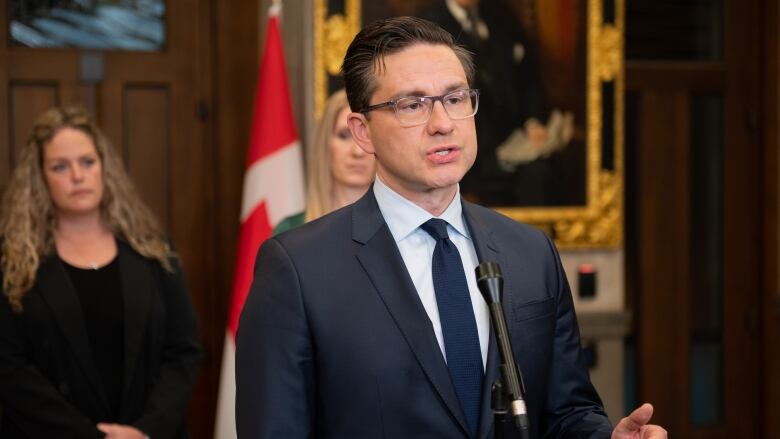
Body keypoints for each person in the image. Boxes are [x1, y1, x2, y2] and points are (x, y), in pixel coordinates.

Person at [236, 16, 666, 438]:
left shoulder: (530, 252)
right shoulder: (299, 269)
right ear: (362, 131)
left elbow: (567, 411)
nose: (442, 123)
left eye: (456, 98)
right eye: (412, 104)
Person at [0, 106, 201, 439]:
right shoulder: (12, 263)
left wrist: (145, 431)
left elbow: (183, 352)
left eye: (87, 162)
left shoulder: (153, 251)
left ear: (105, 168)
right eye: (60, 166)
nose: (77, 176)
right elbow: (9, 367)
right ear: (40, 177)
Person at [273, 89, 376, 234]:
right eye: (344, 135)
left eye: (366, 135)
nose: (357, 152)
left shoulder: (399, 226)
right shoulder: (292, 229)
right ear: (325, 144)